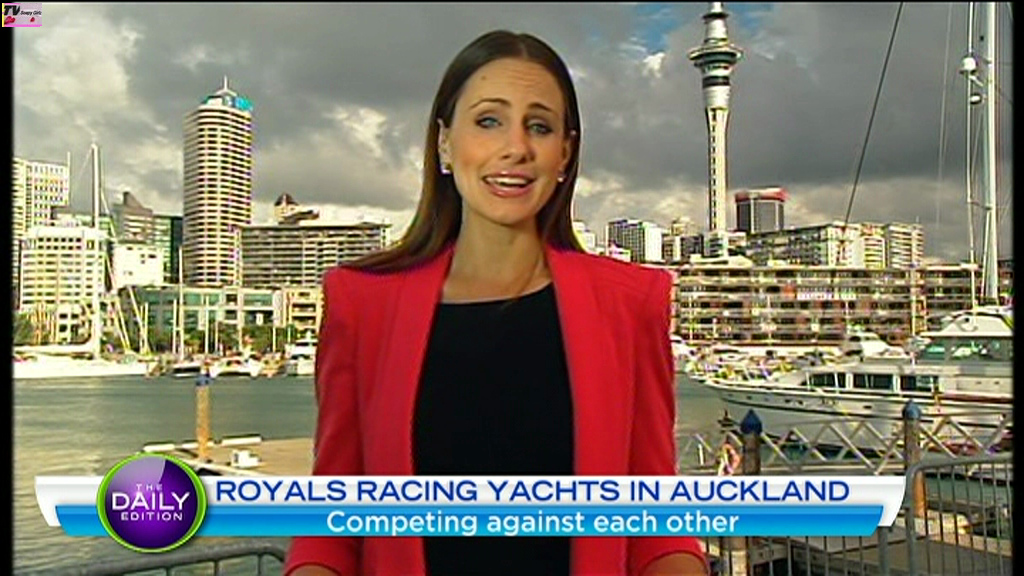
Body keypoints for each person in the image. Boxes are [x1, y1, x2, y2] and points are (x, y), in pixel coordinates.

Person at [285, 30, 708, 576]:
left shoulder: (631, 304)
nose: (516, 148)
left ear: (565, 153)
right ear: (444, 143)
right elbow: (330, 529)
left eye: (540, 126)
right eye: (488, 121)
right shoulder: (362, 303)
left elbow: (656, 528)